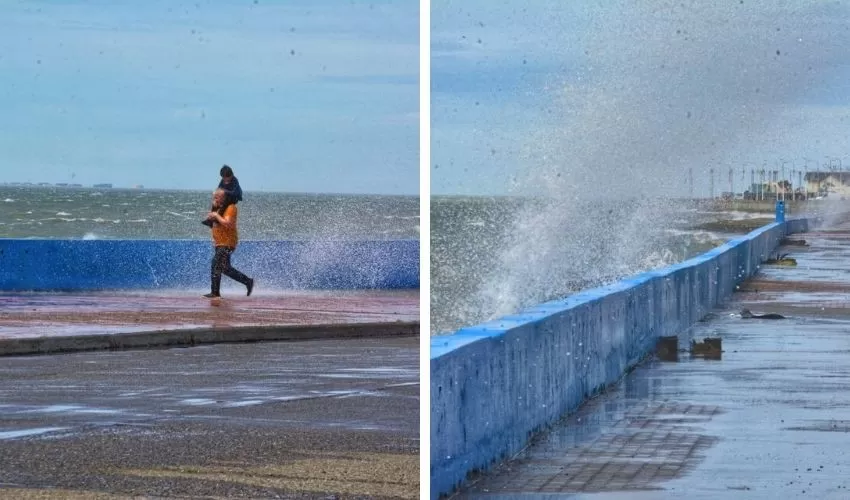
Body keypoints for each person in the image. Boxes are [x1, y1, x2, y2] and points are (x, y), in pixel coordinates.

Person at [204, 188, 254, 298]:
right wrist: (211, 217)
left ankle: (215, 293)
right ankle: (247, 281)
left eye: (217, 197)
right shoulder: (218, 209)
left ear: (224, 198)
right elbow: (215, 225)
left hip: (228, 242)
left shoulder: (231, 208)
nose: (215, 199)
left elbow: (228, 223)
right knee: (224, 268)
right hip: (219, 243)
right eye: (214, 197)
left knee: (215, 263)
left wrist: (216, 216)